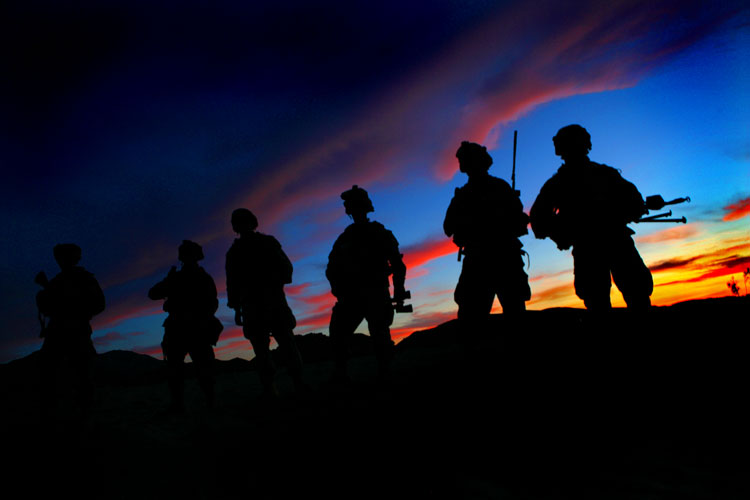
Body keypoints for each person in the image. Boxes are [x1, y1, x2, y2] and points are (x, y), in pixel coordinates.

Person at [529, 124, 653, 312]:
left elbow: (634, 203)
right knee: (611, 299)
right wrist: (560, 234)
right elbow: (538, 220)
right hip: (601, 244)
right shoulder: (600, 175)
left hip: (604, 243)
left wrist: (559, 234)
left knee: (626, 296)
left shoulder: (562, 182)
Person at [443, 141, 531, 338]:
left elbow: (448, 228)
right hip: (500, 260)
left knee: (475, 322)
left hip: (485, 262)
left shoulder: (465, 195)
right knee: (509, 319)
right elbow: (520, 219)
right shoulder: (499, 188)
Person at [326, 185, 408, 383]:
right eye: (349, 206)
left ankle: (385, 374)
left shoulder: (379, 233)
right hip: (351, 297)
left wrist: (398, 290)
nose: (351, 210)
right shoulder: (345, 238)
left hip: (375, 293)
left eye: (353, 205)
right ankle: (342, 375)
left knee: (379, 335)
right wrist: (338, 290)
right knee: (338, 334)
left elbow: (398, 265)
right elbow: (331, 269)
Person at [225, 208, 307, 398]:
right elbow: (233, 282)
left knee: (286, 344)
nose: (241, 226)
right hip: (253, 306)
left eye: (243, 222)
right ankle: (271, 388)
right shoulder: (235, 252)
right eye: (238, 223)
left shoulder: (266, 243)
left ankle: (298, 383)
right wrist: (237, 308)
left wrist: (272, 282)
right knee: (262, 350)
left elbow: (286, 270)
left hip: (272, 302)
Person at [149, 240, 221, 412]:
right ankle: (185, 404)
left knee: (200, 368)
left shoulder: (197, 278)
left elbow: (212, 304)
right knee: (179, 369)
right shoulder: (187, 277)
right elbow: (153, 293)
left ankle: (205, 402)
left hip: (191, 328)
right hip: (183, 328)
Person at [35, 243, 105, 415]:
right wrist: (46, 292)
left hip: (76, 331)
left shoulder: (84, 278)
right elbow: (47, 309)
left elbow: (98, 304)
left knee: (83, 375)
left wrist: (55, 295)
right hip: (58, 332)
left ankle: (83, 414)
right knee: (50, 375)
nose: (60, 260)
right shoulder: (57, 281)